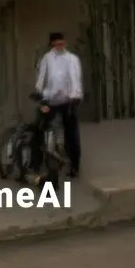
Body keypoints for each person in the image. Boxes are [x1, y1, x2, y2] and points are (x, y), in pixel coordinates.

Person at [30, 31, 82, 178]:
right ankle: (37, 162)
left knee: (72, 134)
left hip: (68, 100)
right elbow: (41, 77)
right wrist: (39, 91)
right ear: (52, 44)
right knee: (40, 127)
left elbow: (75, 78)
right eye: (57, 43)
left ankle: (74, 166)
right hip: (51, 100)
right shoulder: (47, 58)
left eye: (62, 43)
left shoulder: (71, 59)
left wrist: (76, 96)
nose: (60, 46)